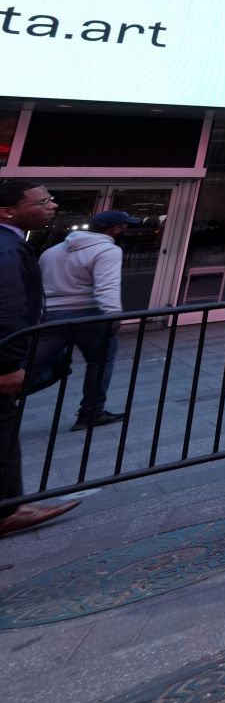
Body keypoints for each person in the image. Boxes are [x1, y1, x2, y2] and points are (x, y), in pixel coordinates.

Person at [0, 181, 78, 538]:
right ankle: (8, 509)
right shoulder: (8, 248)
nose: (52, 205)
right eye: (43, 201)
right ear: (8, 211)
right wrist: (9, 363)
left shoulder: (16, 244)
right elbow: (10, 308)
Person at [39, 209, 140, 430]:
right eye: (124, 227)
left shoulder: (52, 251)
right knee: (101, 361)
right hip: (88, 314)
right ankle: (91, 412)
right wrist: (114, 316)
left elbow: (41, 284)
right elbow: (108, 286)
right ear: (114, 229)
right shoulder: (107, 250)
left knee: (31, 364)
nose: (126, 230)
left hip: (53, 315)